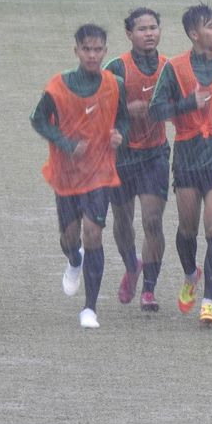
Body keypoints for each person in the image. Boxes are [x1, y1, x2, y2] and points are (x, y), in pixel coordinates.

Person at [149, 3, 212, 326]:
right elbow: (156, 110)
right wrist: (189, 103)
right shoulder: (174, 68)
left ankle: (209, 301)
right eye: (211, 26)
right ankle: (192, 275)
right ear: (194, 34)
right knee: (188, 228)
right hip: (188, 153)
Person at [31, 24, 129, 329]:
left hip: (100, 172)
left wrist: (119, 134)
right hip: (66, 175)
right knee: (70, 237)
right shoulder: (57, 87)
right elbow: (38, 120)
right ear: (76, 51)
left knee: (93, 233)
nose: (92, 54)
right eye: (86, 49)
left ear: (105, 51)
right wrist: (66, 144)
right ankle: (74, 259)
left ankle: (90, 308)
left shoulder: (115, 84)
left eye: (98, 49)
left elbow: (123, 116)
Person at [104, 8, 169, 313]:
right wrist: (125, 111)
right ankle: (132, 265)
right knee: (122, 220)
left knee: (153, 220)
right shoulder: (116, 67)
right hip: (121, 155)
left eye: (153, 27)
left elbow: (181, 105)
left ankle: (149, 290)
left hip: (155, 153)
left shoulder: (169, 67)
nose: (149, 33)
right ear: (129, 34)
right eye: (141, 29)